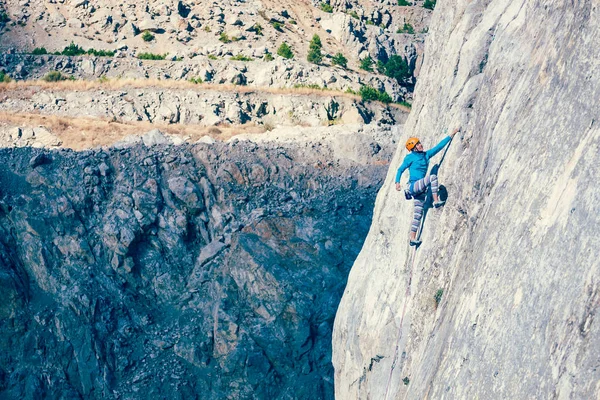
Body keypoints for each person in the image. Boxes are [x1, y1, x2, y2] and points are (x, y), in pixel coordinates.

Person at [395, 127, 460, 246]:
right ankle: (436, 201)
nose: (420, 145)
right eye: (418, 144)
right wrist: (397, 182)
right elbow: (400, 169)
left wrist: (451, 135)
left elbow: (439, 147)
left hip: (420, 190)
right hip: (413, 186)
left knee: (418, 214)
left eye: (419, 143)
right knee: (432, 178)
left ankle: (412, 239)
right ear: (413, 148)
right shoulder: (410, 158)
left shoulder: (426, 155)